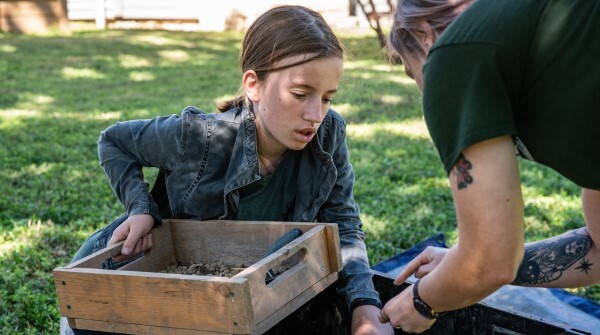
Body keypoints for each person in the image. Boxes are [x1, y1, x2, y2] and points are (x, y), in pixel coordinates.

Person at [63, 5, 393, 335]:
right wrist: (140, 209)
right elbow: (114, 141)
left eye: (326, 98)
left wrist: (364, 305)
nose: (315, 113)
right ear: (254, 84)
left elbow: (344, 224)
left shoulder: (328, 133)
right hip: (117, 296)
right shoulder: (199, 138)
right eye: (300, 93)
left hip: (228, 300)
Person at [377, 0, 600, 333]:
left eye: (413, 72)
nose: (423, 89)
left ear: (423, 35)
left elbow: (490, 261)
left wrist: (422, 301)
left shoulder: (453, 54)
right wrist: (457, 265)